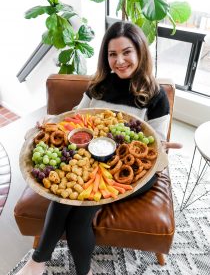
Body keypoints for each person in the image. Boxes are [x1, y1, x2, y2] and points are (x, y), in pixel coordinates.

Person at [16, 21, 181, 275]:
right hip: (92, 159)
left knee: (79, 215)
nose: (120, 61)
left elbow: (153, 149)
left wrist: (160, 144)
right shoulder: (99, 85)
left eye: (127, 52)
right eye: (112, 54)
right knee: (66, 199)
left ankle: (47, 264)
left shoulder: (155, 96)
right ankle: (39, 262)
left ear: (140, 52)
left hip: (133, 173)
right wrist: (51, 122)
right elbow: (76, 118)